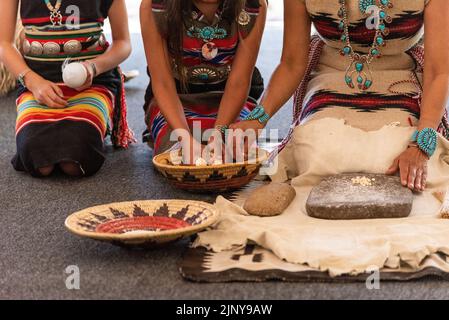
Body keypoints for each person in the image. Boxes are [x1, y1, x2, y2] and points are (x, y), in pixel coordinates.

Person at [230, 0, 449, 192]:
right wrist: (257, 118)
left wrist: (421, 145)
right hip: (333, 74)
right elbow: (291, 64)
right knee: (316, 152)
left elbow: (439, 71)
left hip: (401, 77)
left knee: (396, 154)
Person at [0, 0, 134, 177]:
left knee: (76, 160)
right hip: (36, 82)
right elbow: (4, 44)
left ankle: (97, 125)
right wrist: (33, 81)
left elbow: (123, 43)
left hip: (93, 82)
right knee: (38, 160)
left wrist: (93, 68)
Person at [140, 0, 267, 163]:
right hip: (175, 98)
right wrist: (185, 138)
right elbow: (163, 83)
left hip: (230, 99)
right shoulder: (153, 6)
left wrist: (219, 132)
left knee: (235, 153)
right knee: (178, 156)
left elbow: (239, 82)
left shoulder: (253, 5)